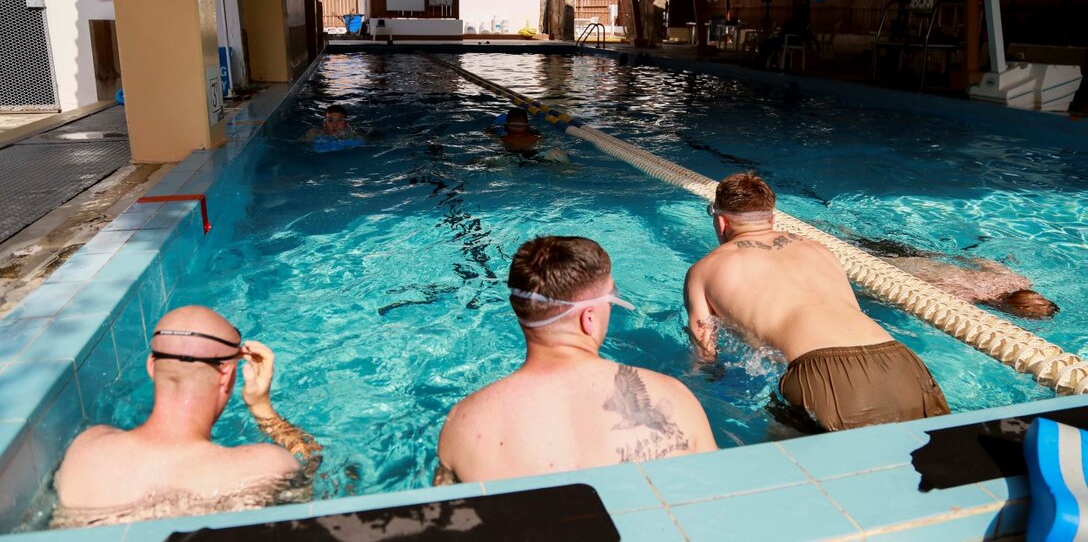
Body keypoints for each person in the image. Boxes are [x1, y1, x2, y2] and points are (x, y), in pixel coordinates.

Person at [434, 236, 717, 485]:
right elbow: (722, 494)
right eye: (612, 299)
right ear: (589, 317)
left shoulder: (464, 423)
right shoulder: (674, 400)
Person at [684, 172, 950, 432]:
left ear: (721, 222)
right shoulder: (818, 249)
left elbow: (705, 351)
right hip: (900, 359)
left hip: (824, 373)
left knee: (792, 454)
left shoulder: (705, 269)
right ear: (772, 218)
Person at [51, 305, 321, 528]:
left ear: (151, 367)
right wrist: (262, 408)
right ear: (226, 375)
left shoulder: (85, 450)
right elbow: (326, 485)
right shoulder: (264, 468)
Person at [852, 236, 1059, 320]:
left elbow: (980, 260)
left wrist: (941, 256)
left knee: (850, 236)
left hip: (923, 256)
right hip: (893, 263)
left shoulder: (1017, 281)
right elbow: (895, 296)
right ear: (1011, 310)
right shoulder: (965, 297)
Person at [487, 107, 569, 162]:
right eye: (514, 125)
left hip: (515, 157)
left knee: (557, 152)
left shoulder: (503, 138)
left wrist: (490, 132)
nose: (517, 128)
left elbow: (494, 141)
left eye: (519, 125)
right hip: (530, 157)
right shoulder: (536, 137)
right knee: (557, 153)